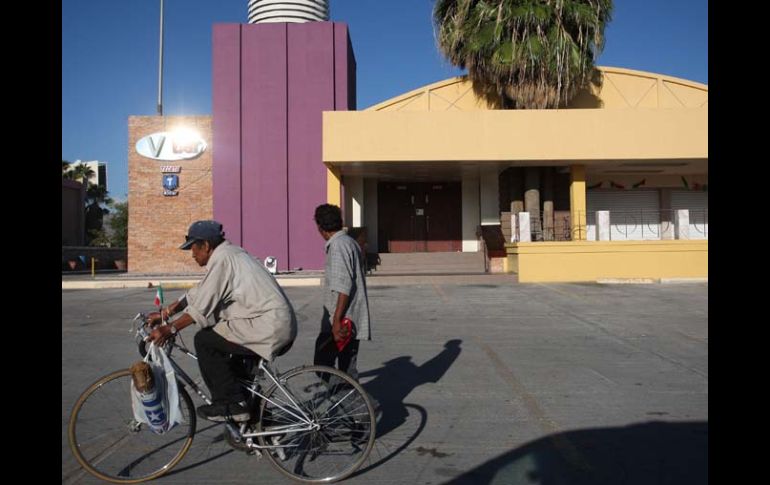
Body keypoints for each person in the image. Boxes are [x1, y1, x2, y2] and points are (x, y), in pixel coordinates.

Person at [147, 220, 297, 423]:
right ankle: (261, 423)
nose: (192, 254)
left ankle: (230, 405)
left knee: (205, 340)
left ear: (206, 245)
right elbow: (200, 292)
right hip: (269, 324)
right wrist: (168, 311)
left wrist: (170, 328)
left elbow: (200, 308)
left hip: (268, 326)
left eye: (193, 248)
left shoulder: (224, 259)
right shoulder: (228, 255)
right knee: (232, 369)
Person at [313, 204, 371, 381]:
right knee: (347, 370)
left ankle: (358, 404)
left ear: (321, 227)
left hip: (341, 323)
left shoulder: (338, 246)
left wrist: (336, 321)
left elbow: (343, 287)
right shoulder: (349, 242)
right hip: (351, 320)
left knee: (324, 366)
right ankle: (357, 404)